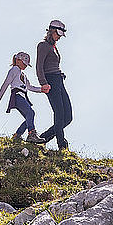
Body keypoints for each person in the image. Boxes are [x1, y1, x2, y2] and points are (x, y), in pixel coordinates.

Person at [35, 19, 72, 150]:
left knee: (68, 117)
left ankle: (43, 138)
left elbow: (54, 65)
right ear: (51, 31)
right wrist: (43, 83)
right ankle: (62, 144)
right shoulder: (43, 45)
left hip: (58, 80)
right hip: (50, 81)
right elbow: (39, 67)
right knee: (59, 113)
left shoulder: (53, 47)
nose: (59, 38)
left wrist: (60, 74)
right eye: (58, 34)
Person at [0, 51, 47, 143]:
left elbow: (30, 87)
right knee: (30, 113)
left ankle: (17, 135)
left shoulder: (23, 75)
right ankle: (31, 134)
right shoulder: (14, 69)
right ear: (18, 60)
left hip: (23, 96)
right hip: (17, 95)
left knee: (29, 116)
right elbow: (6, 83)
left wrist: (41, 89)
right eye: (24, 63)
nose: (25, 66)